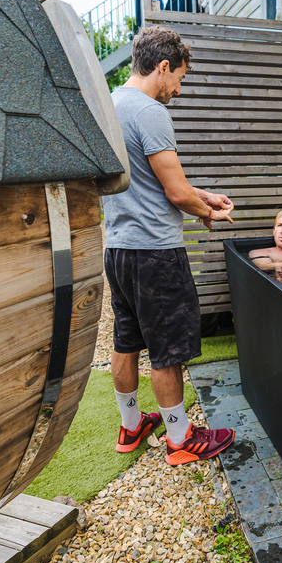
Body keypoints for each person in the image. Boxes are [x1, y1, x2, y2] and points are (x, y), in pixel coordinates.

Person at [102, 25, 235, 465]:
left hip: (118, 249)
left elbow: (153, 180)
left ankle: (130, 426)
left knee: (126, 340)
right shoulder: (151, 112)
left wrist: (203, 196)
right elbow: (176, 194)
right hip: (155, 252)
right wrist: (207, 212)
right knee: (167, 348)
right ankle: (180, 440)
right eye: (179, 78)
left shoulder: (109, 105)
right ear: (162, 67)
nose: (178, 89)